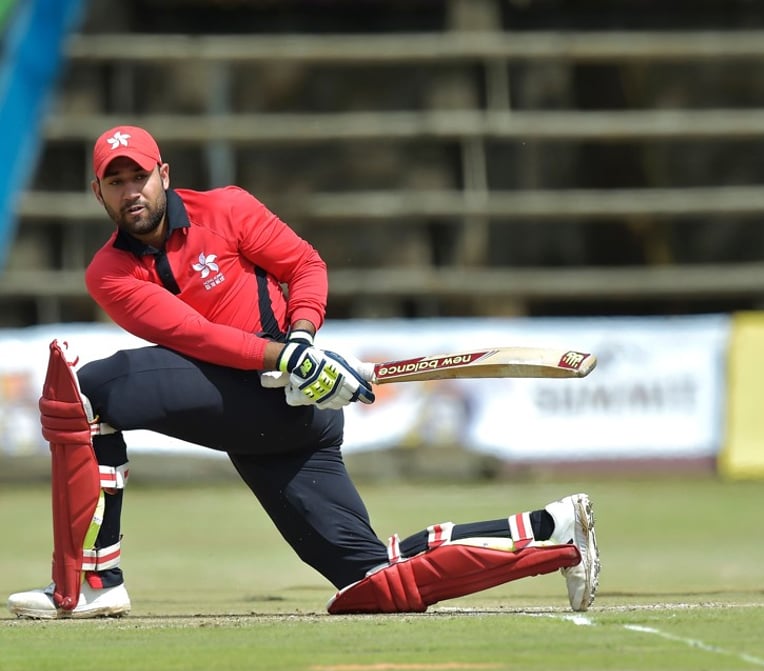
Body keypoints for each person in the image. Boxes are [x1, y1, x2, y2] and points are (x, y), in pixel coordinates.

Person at [7, 125, 599, 619]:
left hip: (293, 402)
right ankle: (553, 530)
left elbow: (305, 265)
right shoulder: (108, 273)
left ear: (164, 173)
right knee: (373, 584)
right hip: (252, 399)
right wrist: (283, 358)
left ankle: (91, 584)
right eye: (116, 182)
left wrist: (302, 336)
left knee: (88, 391)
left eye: (138, 176)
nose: (130, 190)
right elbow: (192, 335)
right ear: (99, 194)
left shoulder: (229, 208)